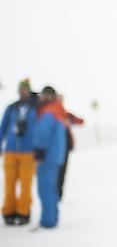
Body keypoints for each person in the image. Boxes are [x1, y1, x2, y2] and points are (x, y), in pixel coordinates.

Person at [0, 79, 38, 226]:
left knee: (25, 183)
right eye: (20, 89)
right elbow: (3, 127)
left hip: (28, 152)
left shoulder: (36, 108)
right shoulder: (11, 108)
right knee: (9, 183)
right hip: (10, 150)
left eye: (25, 89)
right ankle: (8, 211)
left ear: (29, 90)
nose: (22, 91)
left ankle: (23, 211)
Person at [33, 86, 67, 229]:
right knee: (52, 188)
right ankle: (52, 218)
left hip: (47, 156)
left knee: (45, 189)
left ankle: (48, 221)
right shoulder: (59, 110)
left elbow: (43, 133)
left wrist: (39, 150)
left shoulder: (48, 112)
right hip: (56, 155)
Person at [57, 96, 84, 200]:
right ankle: (54, 193)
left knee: (62, 171)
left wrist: (71, 120)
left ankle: (59, 194)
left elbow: (81, 121)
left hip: (66, 147)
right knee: (55, 171)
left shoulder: (67, 114)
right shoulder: (51, 115)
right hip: (54, 149)